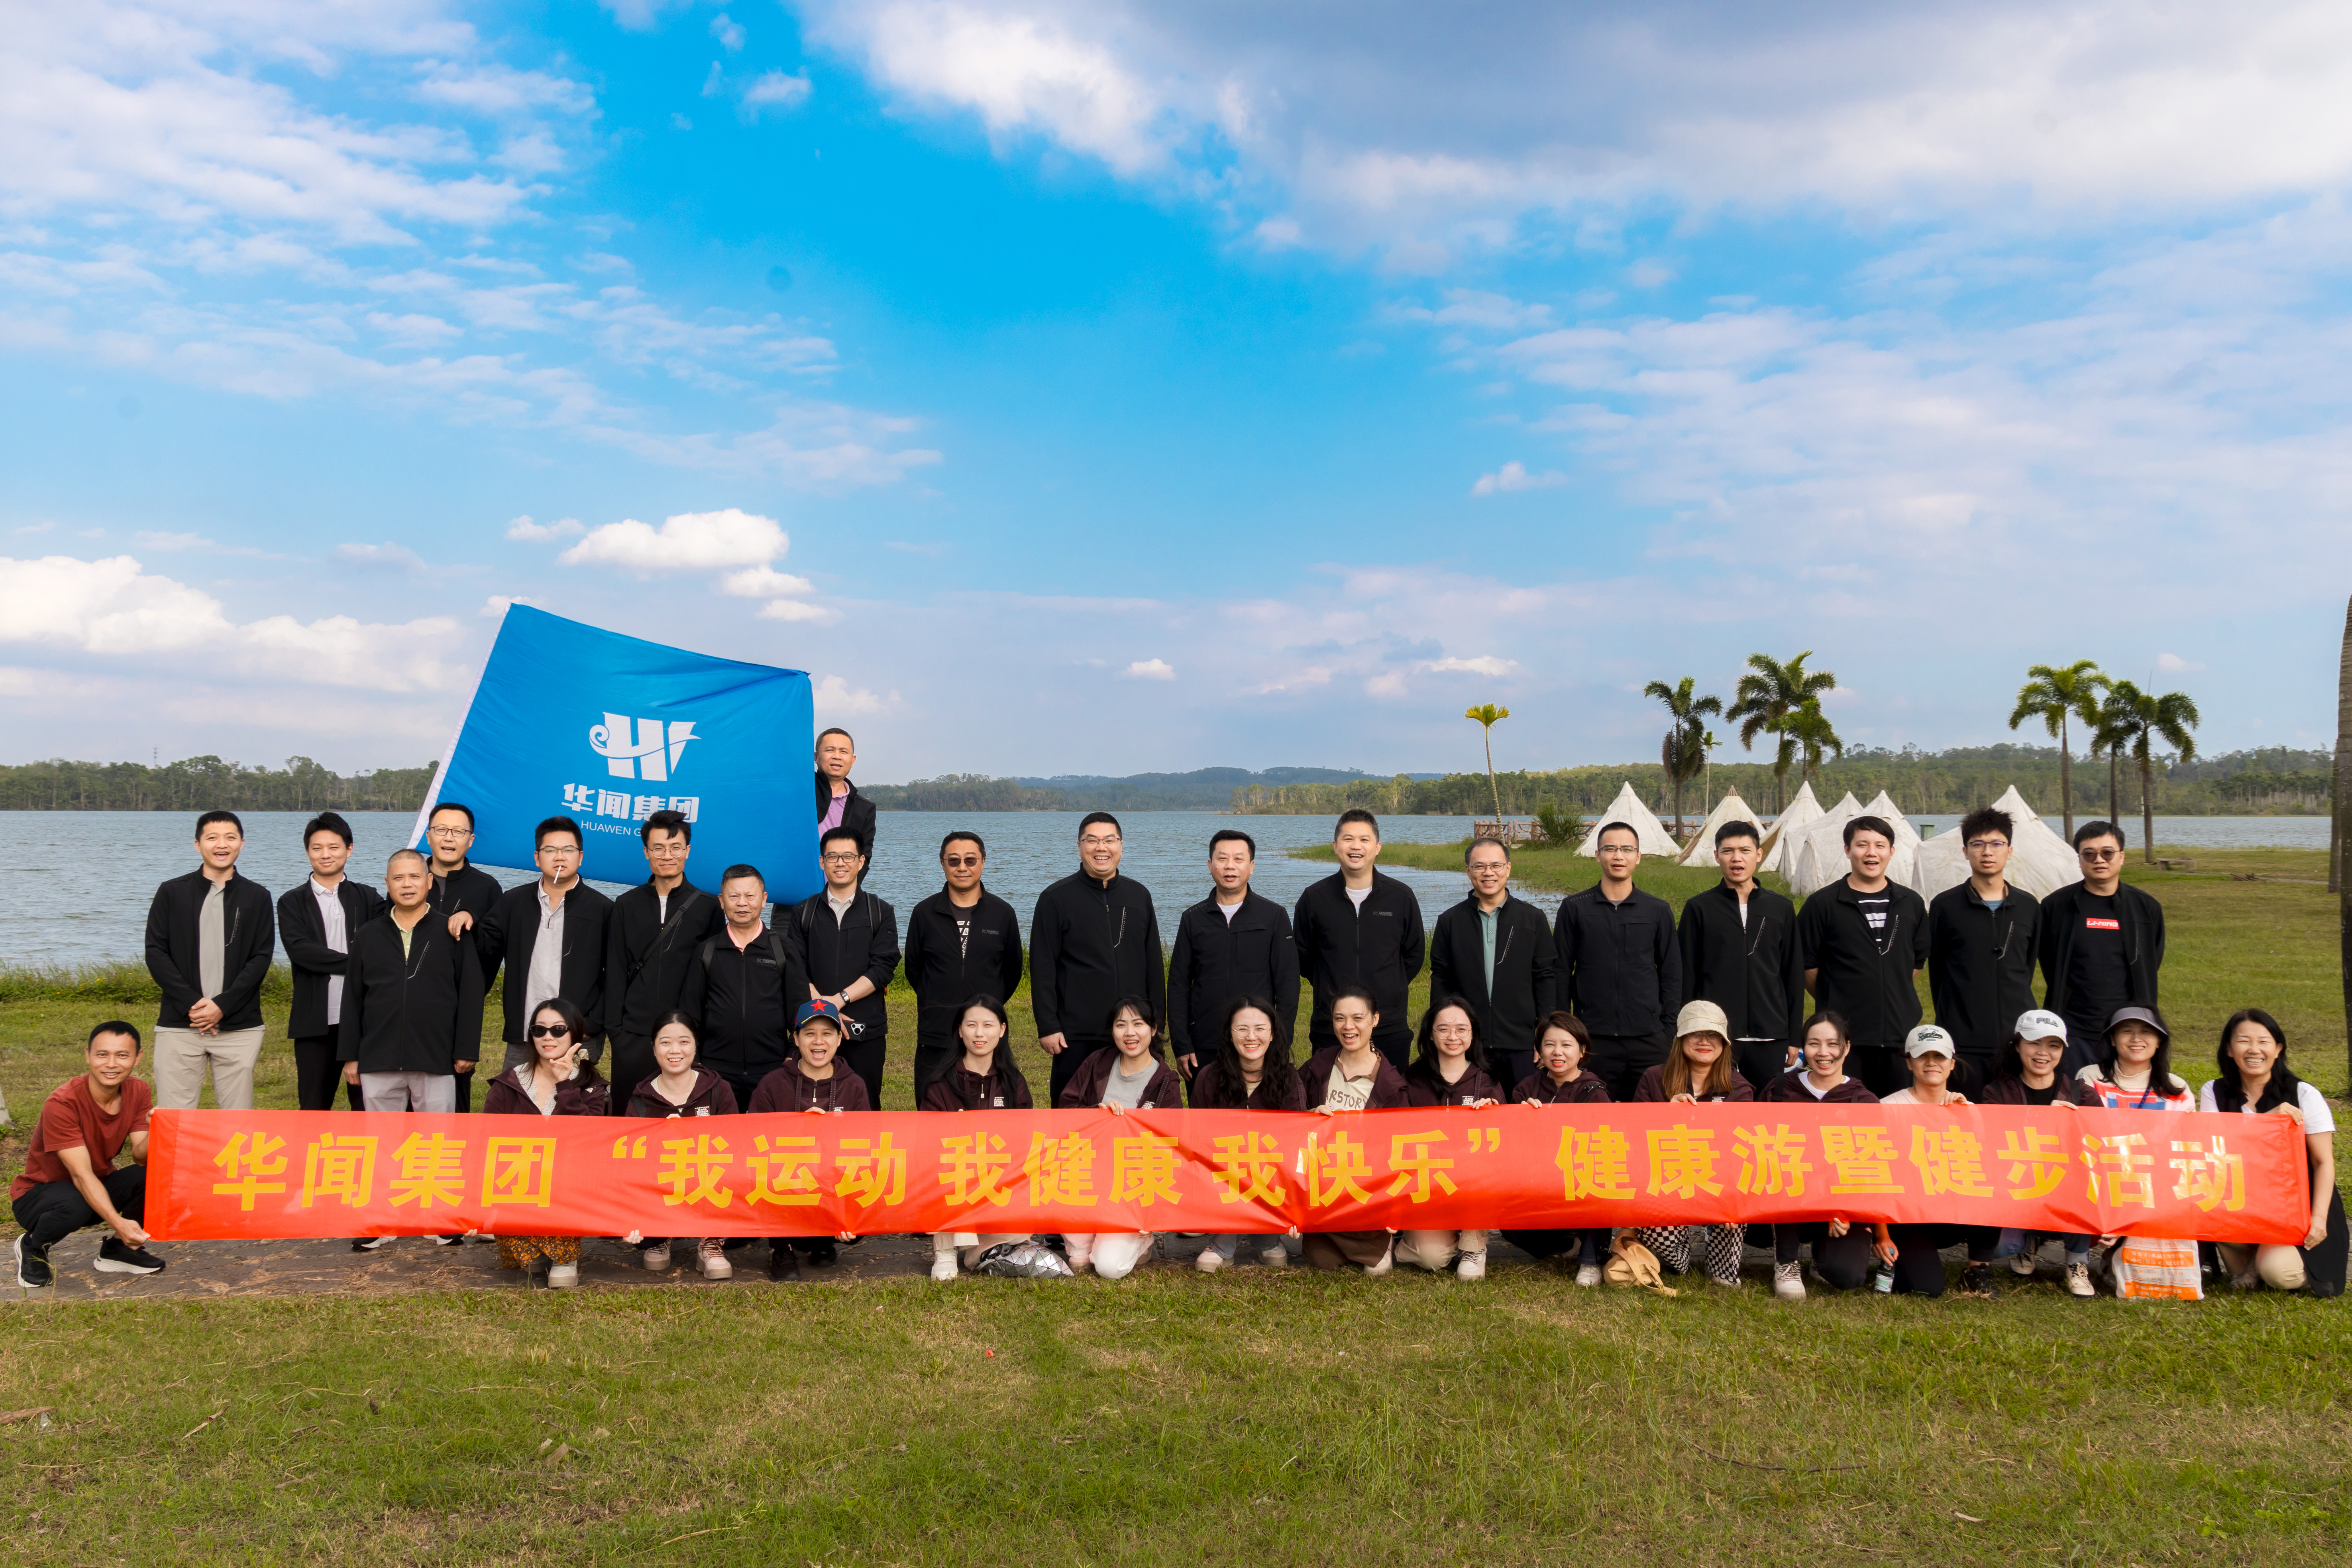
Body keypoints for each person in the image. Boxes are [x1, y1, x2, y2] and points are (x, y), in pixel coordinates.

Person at [2201, 1008, 2344, 1298]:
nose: (2254, 1049)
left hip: (2299, 1207)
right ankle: (2252, 1264)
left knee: (2278, 1272)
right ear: (2229, 1049)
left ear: (2278, 1049)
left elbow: (2323, 1162)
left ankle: (2270, 1265)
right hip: (2242, 1200)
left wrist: (2318, 1219)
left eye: (2264, 1042)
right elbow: (2216, 1147)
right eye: (2244, 1041)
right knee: (2207, 1207)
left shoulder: (2304, 1094)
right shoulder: (2214, 1091)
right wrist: (2268, 1121)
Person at [11, 1022, 165, 1287]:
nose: (112, 1064)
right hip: (39, 1196)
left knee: (155, 1174)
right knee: (76, 1201)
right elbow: (80, 1175)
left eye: (122, 1055)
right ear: (88, 1055)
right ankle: (33, 1246)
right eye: (102, 1055)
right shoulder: (63, 1103)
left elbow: (141, 1157)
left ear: (138, 1057)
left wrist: (156, 1129)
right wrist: (119, 1223)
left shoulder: (139, 1091)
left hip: (91, 1188)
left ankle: (118, 1250)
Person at [922, 996, 1066, 1281]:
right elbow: (926, 1149)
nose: (980, 1034)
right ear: (960, 1030)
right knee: (956, 1164)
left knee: (1018, 1237)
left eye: (988, 1025)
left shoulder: (1014, 1082)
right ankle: (947, 1249)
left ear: (1002, 1030)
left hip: (1000, 1182)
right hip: (956, 1184)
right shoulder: (940, 1084)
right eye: (971, 1025)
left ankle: (979, 1253)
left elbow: (1026, 1142)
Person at [144, 809, 275, 1111]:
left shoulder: (257, 896)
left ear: (242, 843)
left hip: (239, 1028)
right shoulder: (172, 892)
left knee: (236, 1124)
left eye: (230, 837)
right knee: (175, 1120)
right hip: (180, 1024)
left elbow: (260, 958)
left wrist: (222, 1006)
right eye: (212, 838)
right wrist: (193, 1004)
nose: (222, 845)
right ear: (197, 844)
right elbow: (156, 952)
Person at [1031, 813, 1166, 1106]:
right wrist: (1049, 1025)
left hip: (1132, 1028)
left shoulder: (1139, 896)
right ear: (1079, 846)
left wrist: (1157, 1023)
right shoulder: (1056, 898)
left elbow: (1154, 966)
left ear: (1121, 845)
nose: (1101, 847)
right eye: (1092, 840)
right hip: (1076, 1031)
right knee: (1072, 1108)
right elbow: (1042, 967)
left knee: (1138, 1109)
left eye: (1109, 840)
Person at [340, 852, 485, 1112]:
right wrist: (351, 1057)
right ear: (388, 884)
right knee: (382, 1135)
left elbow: (470, 994)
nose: (407, 884)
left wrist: (467, 1049)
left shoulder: (452, 932)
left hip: (436, 1057)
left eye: (415, 877)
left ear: (429, 881)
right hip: (379, 1058)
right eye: (398, 878)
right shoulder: (368, 936)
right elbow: (353, 998)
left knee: (436, 1135)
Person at [1760, 1011, 1890, 1300]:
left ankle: (1821, 1259)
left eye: (1833, 1044)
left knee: (1848, 1276)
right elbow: (1758, 1147)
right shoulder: (1780, 1089)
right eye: (1814, 1044)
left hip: (1840, 1202)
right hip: (1788, 1196)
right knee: (1787, 1165)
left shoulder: (1864, 1101)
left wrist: (1845, 1209)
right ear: (1803, 1047)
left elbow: (1873, 1168)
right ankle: (1786, 1262)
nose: (1823, 1053)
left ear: (1847, 1047)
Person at [1879, 1024, 2015, 1297]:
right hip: (1909, 1217)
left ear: (1952, 1064)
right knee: (1927, 1289)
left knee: (1992, 1185)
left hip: (1954, 1212)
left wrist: (1962, 1120)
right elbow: (1879, 1176)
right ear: (1909, 1062)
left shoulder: (1969, 1110)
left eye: (1939, 1056)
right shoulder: (1886, 1108)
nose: (1931, 1063)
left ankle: (1978, 1269)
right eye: (1922, 1056)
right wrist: (1881, 1235)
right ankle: (1903, 1264)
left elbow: (1990, 1169)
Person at [481, 999, 610, 1287]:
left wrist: (565, 1085)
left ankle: (564, 1256)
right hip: (518, 1182)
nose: (548, 1037)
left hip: (569, 1182)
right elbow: (486, 1144)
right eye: (540, 1030)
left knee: (569, 1174)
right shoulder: (509, 1083)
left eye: (558, 1029)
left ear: (575, 1034)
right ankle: (535, 1243)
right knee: (526, 1256)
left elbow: (590, 1138)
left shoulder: (592, 1084)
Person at [2076, 1005, 2201, 1300]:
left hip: (2155, 1182)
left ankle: (2120, 1253)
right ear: (2112, 1039)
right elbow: (2084, 1135)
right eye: (2126, 1031)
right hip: (2102, 1175)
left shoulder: (2177, 1088)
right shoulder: (2090, 1077)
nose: (2136, 1039)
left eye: (2146, 1032)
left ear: (2159, 1042)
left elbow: (2181, 1150)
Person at [604, 809, 725, 1111]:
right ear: (646, 852)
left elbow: (714, 974)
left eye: (675, 848)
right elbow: (615, 969)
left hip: (685, 1035)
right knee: (630, 1115)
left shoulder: (708, 906)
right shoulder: (626, 904)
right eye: (658, 848)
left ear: (688, 851)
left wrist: (699, 1032)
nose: (667, 856)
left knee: (683, 1116)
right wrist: (617, 1031)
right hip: (633, 1035)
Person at [1798, 815, 1928, 1097]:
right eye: (1862, 845)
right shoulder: (1823, 904)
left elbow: (1916, 963)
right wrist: (1836, 995)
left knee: (1895, 1111)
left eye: (1880, 845)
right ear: (1848, 850)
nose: (1872, 853)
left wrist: (1889, 988)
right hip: (1844, 1037)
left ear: (1891, 851)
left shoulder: (1911, 903)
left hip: (1898, 1035)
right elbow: (1807, 965)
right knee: (1844, 1110)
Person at [1057, 997, 1185, 1279]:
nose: (1130, 1033)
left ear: (1153, 1029)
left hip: (1132, 1187)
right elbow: (1065, 1110)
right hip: (1088, 1176)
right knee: (1079, 1258)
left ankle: (1140, 1242)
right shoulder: (1097, 1063)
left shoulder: (1166, 1081)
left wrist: (1151, 1214)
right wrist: (1096, 1114)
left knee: (1108, 1267)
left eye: (1138, 1024)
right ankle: (1086, 1241)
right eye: (1121, 1025)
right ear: (1112, 1030)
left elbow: (1172, 1147)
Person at [1554, 821, 1682, 1102]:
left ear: (1638, 856)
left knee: (1651, 1115)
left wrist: (1668, 1031)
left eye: (1627, 849)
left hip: (1650, 1038)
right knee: (1594, 1114)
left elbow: (1672, 974)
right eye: (1610, 849)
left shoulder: (1657, 910)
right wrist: (1565, 1029)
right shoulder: (1575, 907)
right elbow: (1561, 971)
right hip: (1593, 1037)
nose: (1618, 856)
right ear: (1598, 855)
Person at [1677, 818, 1805, 1095]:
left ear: (1758, 855)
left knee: (1768, 1105)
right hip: (1716, 1035)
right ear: (1717, 856)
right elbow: (1687, 975)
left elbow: (1793, 975)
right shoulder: (1700, 908)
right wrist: (1688, 1030)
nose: (1737, 858)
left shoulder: (1781, 908)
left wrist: (1794, 1037)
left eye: (1745, 851)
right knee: (1715, 1104)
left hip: (1771, 1034)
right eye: (1728, 851)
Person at [476, 816, 612, 1077]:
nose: (559, 857)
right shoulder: (514, 902)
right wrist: (468, 915)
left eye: (568, 850)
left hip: (577, 1033)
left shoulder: (602, 909)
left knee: (574, 1099)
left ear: (581, 857)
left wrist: (592, 1024)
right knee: (516, 1097)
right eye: (550, 850)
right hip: (526, 1032)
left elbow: (616, 974)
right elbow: (483, 946)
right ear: (537, 858)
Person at [1977, 1009, 2099, 1297]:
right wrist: (2045, 1119)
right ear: (2017, 1046)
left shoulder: (2083, 1094)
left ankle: (2077, 1262)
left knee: (2084, 1181)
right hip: (2016, 1186)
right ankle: (2027, 1240)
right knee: (2000, 1247)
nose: (2043, 1052)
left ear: (2062, 1051)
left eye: (2053, 1045)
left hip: (2068, 1188)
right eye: (2034, 1043)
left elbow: (2101, 1147)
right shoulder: (1996, 1093)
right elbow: (1993, 1145)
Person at [1631, 1001, 1753, 1288]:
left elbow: (1742, 1153)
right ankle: (1680, 1246)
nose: (1704, 1041)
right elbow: (1634, 1138)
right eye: (1696, 1033)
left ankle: (1719, 1256)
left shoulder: (1740, 1087)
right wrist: (1666, 1115)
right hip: (1667, 1179)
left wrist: (1731, 1200)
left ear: (1724, 1043)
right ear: (1681, 1038)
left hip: (1719, 1181)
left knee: (1734, 1220)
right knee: (1675, 1262)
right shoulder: (1654, 1078)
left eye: (1713, 1035)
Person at [748, 999, 871, 1282]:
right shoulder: (772, 1084)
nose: (818, 1042)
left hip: (831, 1182)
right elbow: (752, 1144)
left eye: (827, 1033)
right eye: (809, 1033)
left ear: (839, 1038)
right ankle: (782, 1247)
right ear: (796, 1039)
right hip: (786, 1182)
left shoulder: (854, 1086)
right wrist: (797, 1130)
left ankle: (825, 1240)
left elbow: (865, 1146)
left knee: (858, 1208)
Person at [1293, 810, 1425, 1070]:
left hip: (1388, 1024)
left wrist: (1390, 986)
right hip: (1331, 1025)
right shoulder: (1314, 898)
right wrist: (1329, 985)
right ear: (1335, 846)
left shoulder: (1400, 897)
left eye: (1365, 840)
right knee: (1329, 1093)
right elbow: (1303, 955)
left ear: (1377, 847)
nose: (1356, 847)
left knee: (1389, 1093)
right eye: (1348, 839)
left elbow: (1414, 954)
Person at [1926, 807, 2042, 1097]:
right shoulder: (1945, 906)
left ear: (2010, 851)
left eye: (1996, 844)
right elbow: (1938, 971)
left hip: (2017, 1040)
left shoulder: (2029, 907)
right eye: (1978, 844)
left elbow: (2026, 967)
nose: (1987, 852)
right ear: (1965, 852)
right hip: (1963, 1040)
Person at [781, 828, 900, 1109]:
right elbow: (795, 967)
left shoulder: (880, 911)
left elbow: (883, 967)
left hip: (864, 1029)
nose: (840, 863)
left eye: (848, 856)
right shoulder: (803, 912)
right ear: (822, 862)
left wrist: (838, 1001)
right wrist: (823, 1008)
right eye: (833, 857)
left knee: (864, 1104)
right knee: (806, 1104)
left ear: (861, 861)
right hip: (813, 1025)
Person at [1167, 830, 1301, 1079]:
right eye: (1222, 859)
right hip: (1204, 1043)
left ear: (1252, 867)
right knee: (1205, 1104)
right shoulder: (1193, 919)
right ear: (1210, 866)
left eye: (1239, 859)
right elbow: (1178, 985)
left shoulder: (1273, 916)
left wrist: (1280, 1042)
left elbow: (1288, 985)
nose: (1230, 866)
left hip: (1256, 1042)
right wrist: (1181, 1043)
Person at [903, 832, 1025, 1105]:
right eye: (954, 860)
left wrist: (989, 1003)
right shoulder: (924, 913)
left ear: (983, 862)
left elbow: (1013, 970)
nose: (962, 867)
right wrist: (936, 997)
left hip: (985, 1034)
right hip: (936, 1032)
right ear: (942, 863)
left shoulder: (1002, 913)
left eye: (970, 860)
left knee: (989, 1110)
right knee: (933, 1109)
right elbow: (914, 968)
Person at [1430, 836, 1558, 1092]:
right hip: (1468, 1043)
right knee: (1471, 1109)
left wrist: (1545, 1034)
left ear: (1508, 869)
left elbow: (1545, 977)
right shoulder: (1450, 921)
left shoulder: (1532, 919)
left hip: (1521, 1042)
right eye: (1479, 866)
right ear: (1468, 872)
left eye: (1496, 866)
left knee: (1524, 1107)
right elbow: (1441, 979)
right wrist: (1442, 1032)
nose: (1489, 873)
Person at [1188, 995, 1305, 1273]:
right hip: (1223, 1176)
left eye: (1260, 1029)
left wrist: (1297, 1209)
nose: (1251, 1037)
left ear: (1273, 1034)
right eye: (1242, 1029)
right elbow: (1195, 1139)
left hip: (1272, 1176)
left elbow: (1300, 1144)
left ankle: (1267, 1237)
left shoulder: (1289, 1079)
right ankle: (1224, 1239)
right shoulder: (1209, 1078)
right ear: (1230, 1035)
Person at [2038, 820, 2166, 1075]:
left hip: (2127, 1029)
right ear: (2079, 860)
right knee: (2072, 1094)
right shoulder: (2056, 907)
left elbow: (2151, 960)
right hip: (2073, 1028)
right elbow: (2049, 961)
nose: (2099, 860)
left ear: (2121, 857)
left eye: (2107, 853)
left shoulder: (2146, 908)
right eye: (2089, 854)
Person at [1300, 985, 1410, 1274]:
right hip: (1324, 1184)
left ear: (1375, 1020)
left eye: (1358, 1018)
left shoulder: (1392, 1084)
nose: (1348, 1027)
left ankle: (1380, 1240)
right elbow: (1290, 1112)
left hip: (1369, 1188)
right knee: (1321, 1260)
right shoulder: (1318, 1066)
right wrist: (1307, 1117)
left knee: (1375, 1268)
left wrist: (1395, 1209)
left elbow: (1403, 1150)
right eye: (1340, 1018)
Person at [278, 811, 381, 1112]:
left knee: (366, 1107)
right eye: (317, 848)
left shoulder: (369, 898)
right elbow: (301, 951)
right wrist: (357, 964)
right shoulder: (291, 902)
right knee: (313, 1107)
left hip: (364, 1020)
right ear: (308, 851)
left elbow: (383, 948)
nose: (326, 855)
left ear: (349, 849)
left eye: (334, 847)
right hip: (315, 1021)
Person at [624, 1011, 739, 1281]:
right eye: (665, 1042)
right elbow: (630, 1163)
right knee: (641, 1235)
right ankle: (662, 1235)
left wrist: (691, 1138)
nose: (675, 1050)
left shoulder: (719, 1090)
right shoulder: (641, 1100)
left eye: (684, 1042)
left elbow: (736, 1147)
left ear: (696, 1046)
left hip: (710, 1182)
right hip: (662, 1185)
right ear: (654, 1049)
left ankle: (711, 1240)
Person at [1499, 1013, 1612, 1287]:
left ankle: (1591, 1259)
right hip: (1537, 1177)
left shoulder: (1595, 1091)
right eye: (1549, 1045)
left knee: (1601, 1181)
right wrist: (1521, 1119)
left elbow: (1605, 1147)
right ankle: (1566, 1244)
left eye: (1566, 1045)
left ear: (1582, 1050)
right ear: (1539, 1050)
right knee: (1508, 1221)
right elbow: (1510, 1144)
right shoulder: (1526, 1088)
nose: (1557, 1052)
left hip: (1580, 1176)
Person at [1394, 997, 1504, 1280]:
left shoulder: (1486, 1081)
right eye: (1443, 1029)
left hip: (1471, 1188)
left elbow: (1503, 1147)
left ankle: (1473, 1246)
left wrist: (1492, 1116)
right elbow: (1396, 1135)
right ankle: (1426, 1239)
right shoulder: (1413, 1079)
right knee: (1430, 1257)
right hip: (1429, 1185)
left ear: (1473, 1034)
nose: (1453, 1036)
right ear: (1431, 1034)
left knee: (1481, 1171)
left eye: (1461, 1029)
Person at [680, 864, 799, 1115]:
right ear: (722, 901)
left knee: (769, 1135)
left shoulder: (783, 950)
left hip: (773, 1067)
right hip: (716, 1068)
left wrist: (793, 1054)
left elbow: (800, 1011)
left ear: (764, 900)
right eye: (734, 896)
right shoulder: (707, 951)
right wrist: (697, 1060)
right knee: (718, 1136)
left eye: (750, 896)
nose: (742, 903)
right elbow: (690, 1013)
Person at [420, 801, 505, 1114]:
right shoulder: (410, 880)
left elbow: (493, 951)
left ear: (471, 840)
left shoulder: (487, 888)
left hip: (457, 1009)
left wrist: (472, 920)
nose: (449, 837)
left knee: (455, 1097)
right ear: (429, 835)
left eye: (458, 831)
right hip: (407, 1005)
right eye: (441, 829)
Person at [814, 726, 877, 860]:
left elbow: (864, 857)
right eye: (830, 750)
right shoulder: (802, 792)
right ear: (816, 757)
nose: (837, 756)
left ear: (853, 760)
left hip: (840, 874)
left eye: (843, 752)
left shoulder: (864, 809)